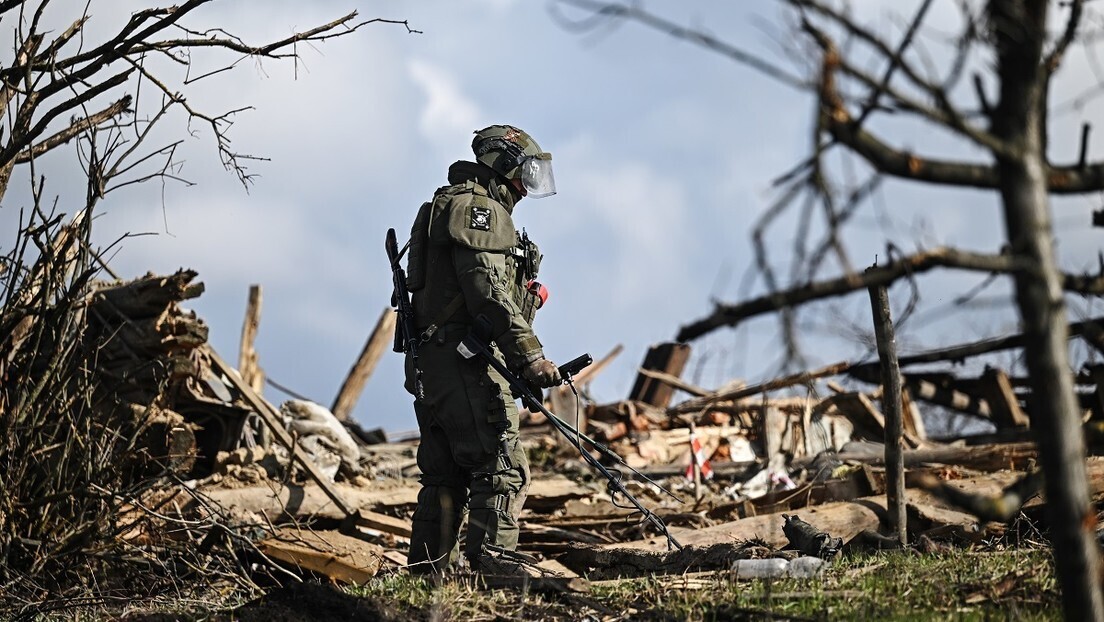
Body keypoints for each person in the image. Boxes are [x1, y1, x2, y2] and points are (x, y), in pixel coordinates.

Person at [402, 124, 562, 575]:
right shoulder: (480, 210)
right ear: (503, 166)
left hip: (434, 363)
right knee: (502, 467)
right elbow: (489, 292)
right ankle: (493, 572)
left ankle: (428, 577)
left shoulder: (447, 203)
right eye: (524, 176)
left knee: (445, 476)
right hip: (466, 363)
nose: (526, 190)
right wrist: (530, 357)